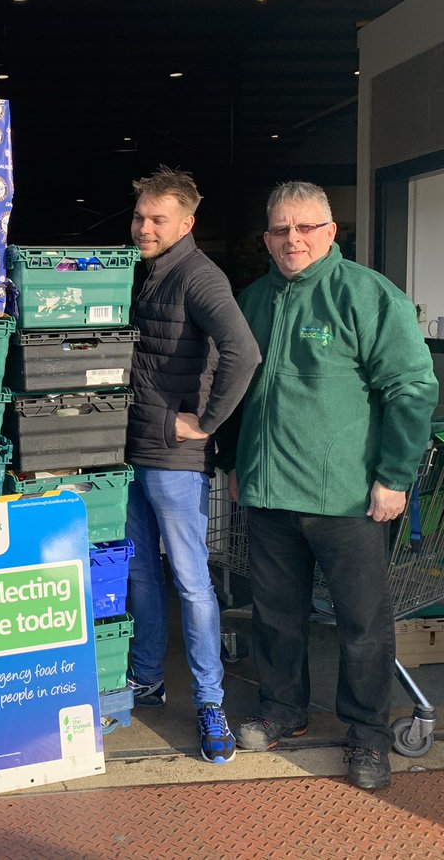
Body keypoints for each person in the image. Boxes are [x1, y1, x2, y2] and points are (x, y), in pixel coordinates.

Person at [219, 181, 438, 790]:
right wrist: (238, 462)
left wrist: (394, 477)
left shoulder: (365, 295)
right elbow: (236, 393)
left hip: (347, 499)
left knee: (362, 624)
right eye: (281, 229)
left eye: (306, 227)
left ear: (331, 231)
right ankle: (284, 709)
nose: (293, 239)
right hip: (268, 494)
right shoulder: (254, 299)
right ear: (266, 238)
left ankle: (368, 736)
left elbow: (412, 389)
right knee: (275, 615)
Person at [124, 166, 260, 764]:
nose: (145, 227)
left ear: (186, 222)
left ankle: (210, 703)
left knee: (190, 582)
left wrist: (204, 423)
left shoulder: (199, 276)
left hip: (175, 460)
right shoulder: (149, 274)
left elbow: (243, 351)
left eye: (157, 219)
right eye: (140, 217)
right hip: (132, 448)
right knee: (139, 575)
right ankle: (147, 679)